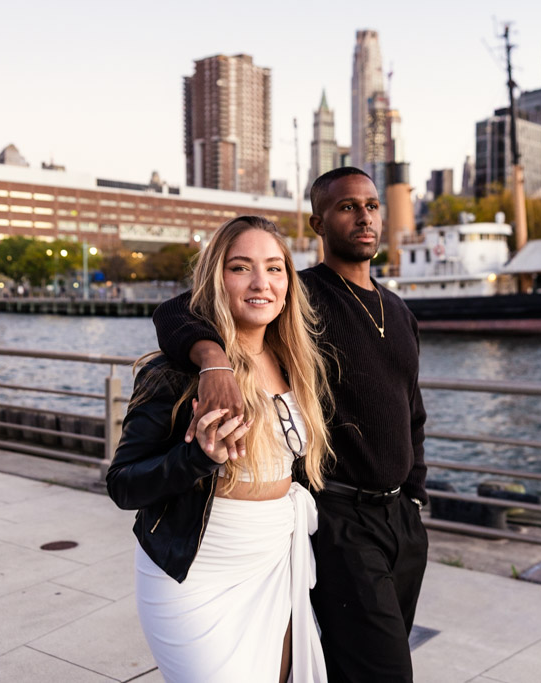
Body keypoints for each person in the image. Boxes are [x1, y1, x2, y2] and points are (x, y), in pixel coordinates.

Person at [153, 167, 428, 682]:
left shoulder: (398, 309)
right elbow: (175, 311)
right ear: (318, 222)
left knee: (360, 664)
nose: (364, 216)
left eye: (371, 205)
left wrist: (415, 495)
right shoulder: (303, 297)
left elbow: (411, 408)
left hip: (402, 521)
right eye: (347, 207)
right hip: (342, 514)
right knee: (386, 671)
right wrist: (213, 360)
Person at [107, 215, 332, 683]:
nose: (260, 283)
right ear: (216, 278)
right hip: (195, 576)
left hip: (274, 562)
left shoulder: (296, 362)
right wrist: (199, 457)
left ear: (289, 281)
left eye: (274, 269)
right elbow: (124, 484)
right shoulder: (174, 372)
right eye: (239, 267)